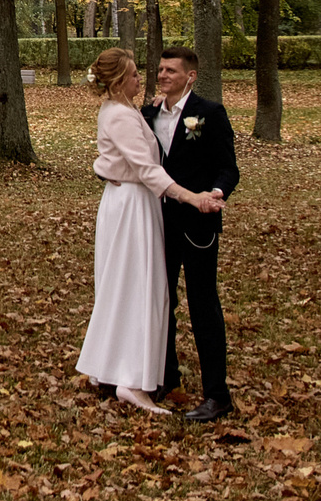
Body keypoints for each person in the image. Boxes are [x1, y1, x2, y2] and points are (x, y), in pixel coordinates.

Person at [76, 46, 223, 415]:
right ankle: (133, 379)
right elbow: (146, 168)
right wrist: (192, 197)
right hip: (133, 207)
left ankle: (131, 373)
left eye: (162, 71)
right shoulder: (123, 115)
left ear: (189, 76)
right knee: (137, 290)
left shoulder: (139, 111)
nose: (147, 79)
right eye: (136, 75)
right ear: (119, 81)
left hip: (143, 207)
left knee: (139, 290)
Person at [145, 43, 240, 421]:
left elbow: (227, 168)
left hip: (198, 223)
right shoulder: (148, 113)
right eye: (161, 70)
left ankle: (217, 394)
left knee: (203, 304)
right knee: (161, 300)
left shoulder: (209, 113)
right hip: (157, 222)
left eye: (171, 70)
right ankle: (166, 376)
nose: (163, 75)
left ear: (191, 76)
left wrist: (215, 193)